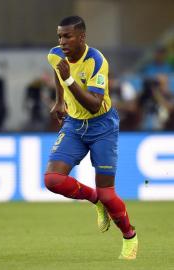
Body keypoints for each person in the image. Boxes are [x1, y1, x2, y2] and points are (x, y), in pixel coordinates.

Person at [45, 16, 138, 260]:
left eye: (67, 36)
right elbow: (58, 71)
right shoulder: (55, 55)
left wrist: (69, 80)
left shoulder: (97, 61)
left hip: (103, 126)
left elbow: (95, 105)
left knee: (109, 194)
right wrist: (59, 100)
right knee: (53, 180)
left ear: (82, 37)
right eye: (59, 36)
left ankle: (129, 236)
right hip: (74, 125)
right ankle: (95, 199)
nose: (62, 41)